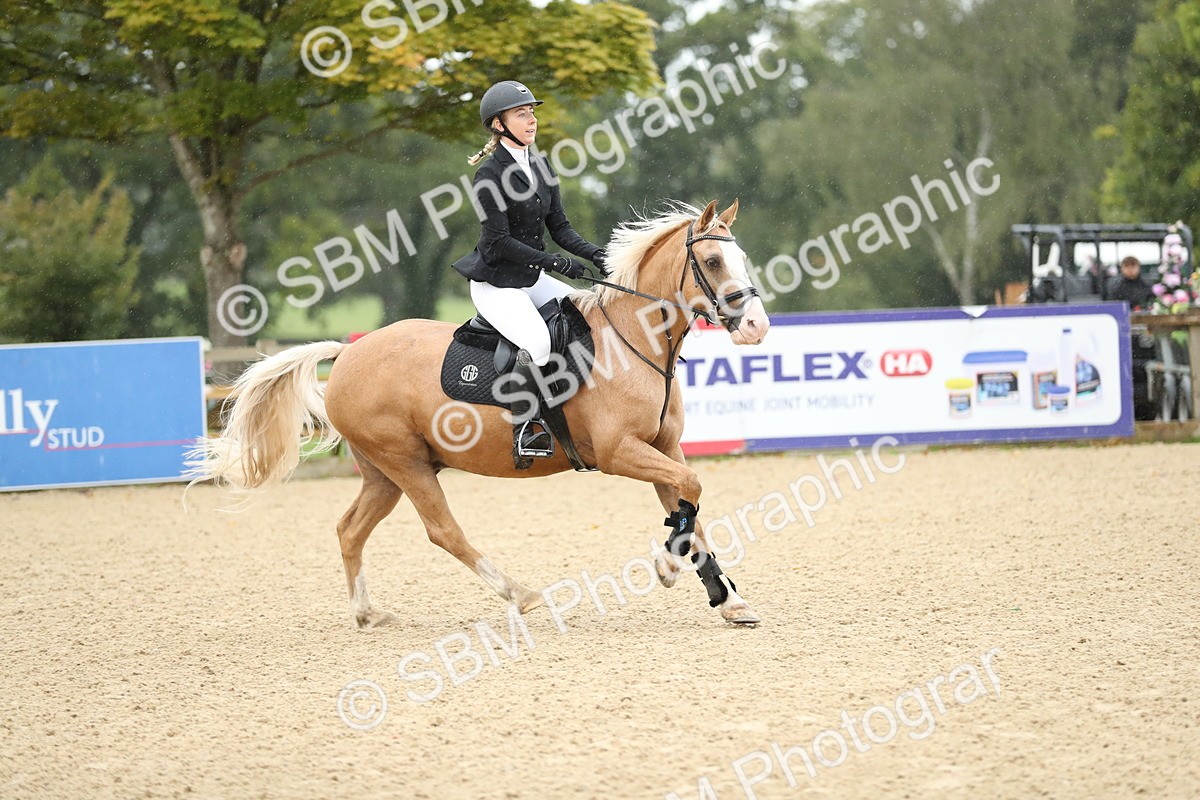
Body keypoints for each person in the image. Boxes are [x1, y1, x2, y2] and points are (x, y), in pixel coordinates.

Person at [451, 80, 609, 459]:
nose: (531, 119)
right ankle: (525, 427)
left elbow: (562, 230)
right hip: (496, 284)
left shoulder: (540, 166)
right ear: (498, 124)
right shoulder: (488, 176)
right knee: (537, 343)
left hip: (530, 278)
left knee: (587, 314)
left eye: (532, 112)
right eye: (521, 114)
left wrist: (600, 257)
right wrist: (553, 262)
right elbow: (497, 242)